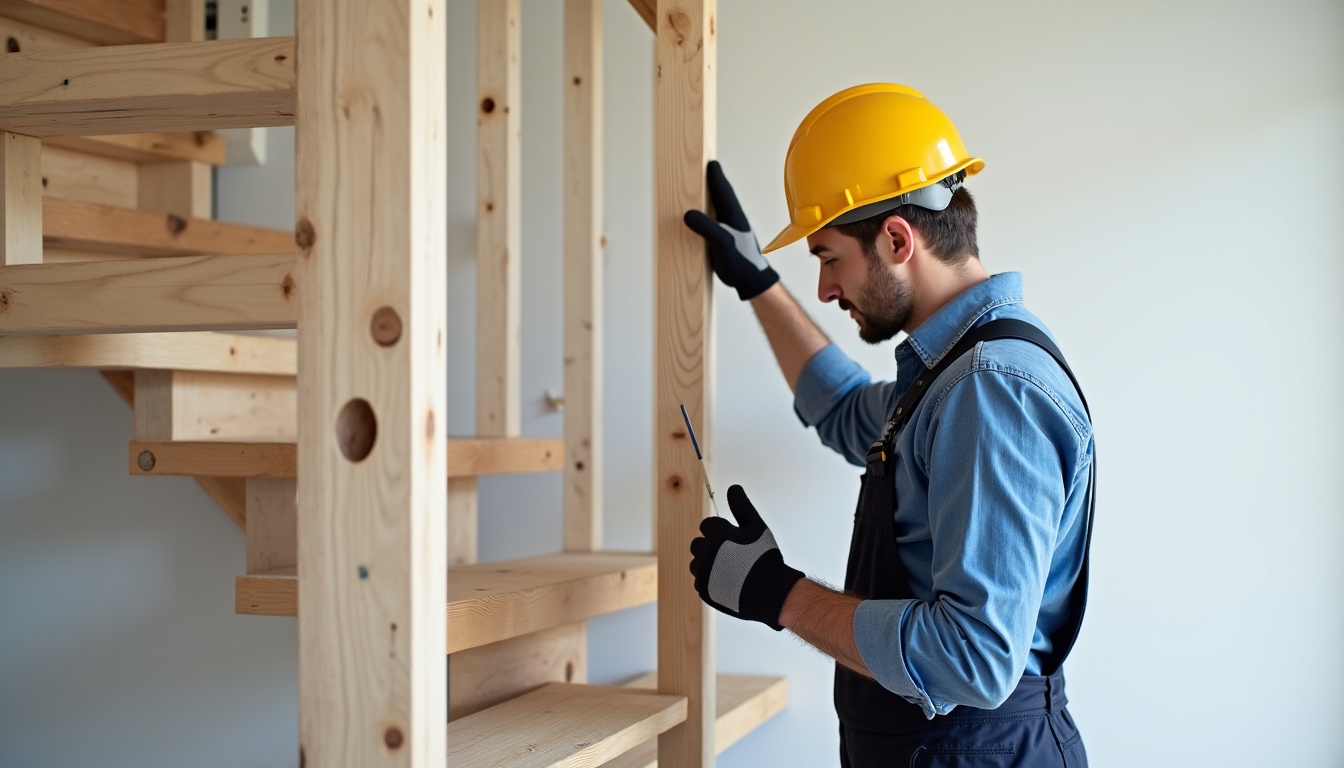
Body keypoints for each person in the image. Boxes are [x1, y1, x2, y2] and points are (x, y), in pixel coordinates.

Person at [682, 83, 1094, 767]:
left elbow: (974, 658)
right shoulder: (948, 376)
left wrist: (777, 594)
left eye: (827, 258)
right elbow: (844, 410)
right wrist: (758, 284)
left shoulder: (989, 390)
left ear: (897, 239)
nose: (823, 288)